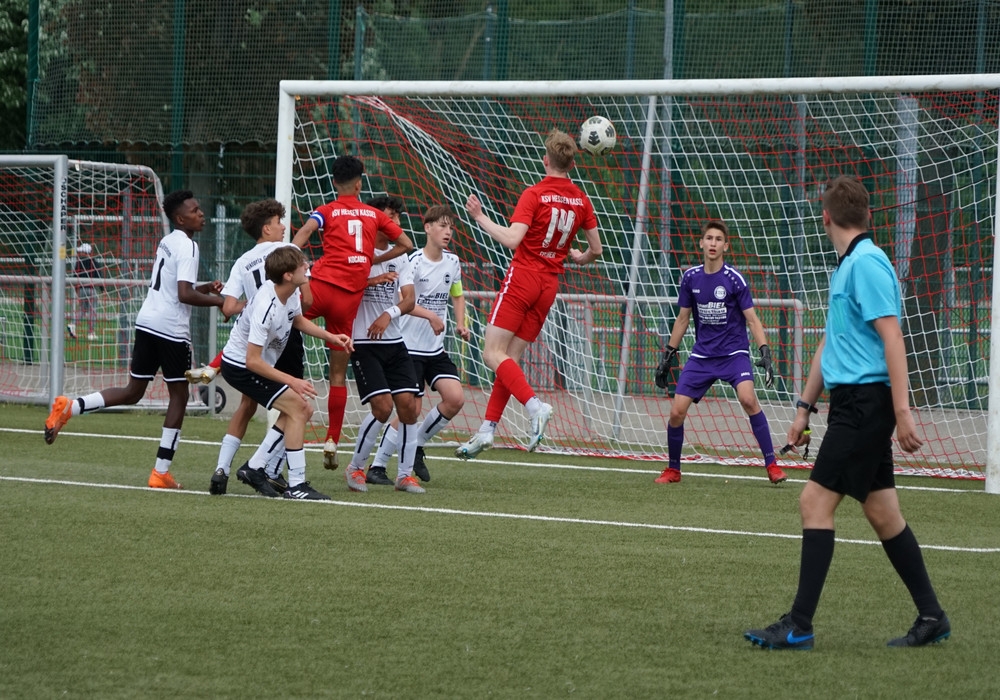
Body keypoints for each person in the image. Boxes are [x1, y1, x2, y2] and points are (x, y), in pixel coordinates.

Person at [744, 176, 949, 650]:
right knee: (883, 513)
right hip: (851, 405)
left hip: (865, 406)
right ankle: (932, 615)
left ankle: (798, 624)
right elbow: (830, 344)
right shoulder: (848, 266)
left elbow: (893, 337)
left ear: (826, 217)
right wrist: (803, 409)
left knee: (814, 503)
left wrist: (902, 412)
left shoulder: (867, 264)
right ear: (867, 215)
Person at [44, 190, 224, 489]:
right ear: (181, 219)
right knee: (179, 396)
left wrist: (205, 288)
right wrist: (221, 301)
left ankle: (70, 406)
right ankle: (161, 472)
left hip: (147, 322)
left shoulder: (168, 241)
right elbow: (183, 295)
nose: (201, 214)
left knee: (133, 391)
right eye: (195, 210)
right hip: (170, 329)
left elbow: (175, 288)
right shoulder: (189, 246)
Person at [455, 129, 603, 459]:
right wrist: (579, 257)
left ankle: (535, 406)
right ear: (572, 164)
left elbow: (512, 239)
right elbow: (596, 249)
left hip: (523, 278)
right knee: (509, 359)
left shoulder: (534, 193)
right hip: (549, 285)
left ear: (545, 160)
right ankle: (487, 429)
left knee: (491, 354)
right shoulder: (581, 200)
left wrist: (479, 217)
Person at [291, 156, 413, 472]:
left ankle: (223, 362)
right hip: (347, 302)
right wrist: (369, 261)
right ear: (360, 183)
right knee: (336, 375)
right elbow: (406, 243)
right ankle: (332, 439)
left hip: (320, 288)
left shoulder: (327, 210)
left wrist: (290, 260)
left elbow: (305, 231)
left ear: (334, 182)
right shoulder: (374, 214)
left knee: (281, 319)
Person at [652, 220, 785, 485]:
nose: (713, 243)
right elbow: (682, 319)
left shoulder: (734, 279)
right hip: (702, 356)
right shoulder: (690, 277)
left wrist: (765, 351)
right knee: (676, 412)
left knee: (748, 399)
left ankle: (772, 465)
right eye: (709, 238)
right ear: (701, 243)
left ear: (726, 246)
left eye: (718, 239)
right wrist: (668, 356)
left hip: (734, 354)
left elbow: (752, 320)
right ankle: (673, 470)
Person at [220, 245, 352, 500]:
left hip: (254, 364)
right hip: (240, 367)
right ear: (288, 275)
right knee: (299, 408)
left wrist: (331, 337)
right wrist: (293, 381)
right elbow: (252, 361)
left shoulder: (290, 292)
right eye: (302, 264)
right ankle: (296, 484)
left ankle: (255, 467)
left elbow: (297, 320)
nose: (307, 266)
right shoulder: (265, 305)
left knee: (302, 409)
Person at [201, 199, 309, 496]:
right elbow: (309, 302)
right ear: (266, 228)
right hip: (283, 338)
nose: (283, 226)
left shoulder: (243, 261)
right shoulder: (290, 253)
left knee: (248, 406)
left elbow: (228, 308)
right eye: (278, 221)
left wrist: (252, 305)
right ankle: (269, 469)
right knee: (297, 406)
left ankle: (222, 468)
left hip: (254, 339)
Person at [369, 204, 470, 484]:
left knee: (455, 399)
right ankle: (377, 467)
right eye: (442, 226)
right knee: (409, 411)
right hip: (409, 348)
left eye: (451, 227)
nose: (448, 232)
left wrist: (460, 323)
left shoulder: (453, 262)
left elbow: (457, 294)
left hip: (434, 349)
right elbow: (405, 302)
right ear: (427, 228)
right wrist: (431, 316)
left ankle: (417, 445)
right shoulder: (412, 262)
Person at [342, 226, 425, 494]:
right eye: (390, 217)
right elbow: (343, 287)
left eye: (398, 218)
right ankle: (356, 468)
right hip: (364, 343)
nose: (396, 224)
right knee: (382, 408)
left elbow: (409, 300)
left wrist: (389, 314)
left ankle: (404, 476)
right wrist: (371, 281)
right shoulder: (357, 255)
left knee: (409, 407)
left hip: (394, 342)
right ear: (375, 222)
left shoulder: (400, 257)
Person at [68, 242, 102, 341]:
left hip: (81, 289)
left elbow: (75, 277)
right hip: (91, 289)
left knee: (83, 310)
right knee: (92, 311)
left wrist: (77, 290)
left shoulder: (79, 263)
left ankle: (72, 324)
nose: (80, 253)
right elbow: (98, 275)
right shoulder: (94, 262)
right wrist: (102, 289)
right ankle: (91, 332)